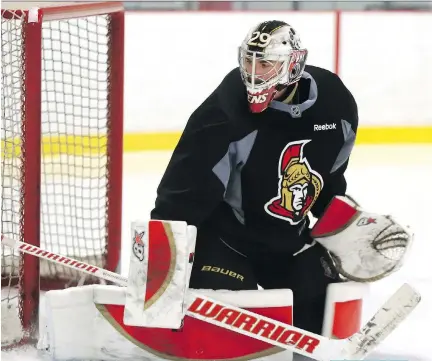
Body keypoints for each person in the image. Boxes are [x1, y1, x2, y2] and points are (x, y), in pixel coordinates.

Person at [150, 20, 359, 335]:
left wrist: (348, 228)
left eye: (265, 62)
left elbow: (328, 182)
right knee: (228, 322)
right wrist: (159, 275)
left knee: (324, 317)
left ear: (293, 63)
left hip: (289, 242)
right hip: (226, 241)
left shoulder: (335, 104)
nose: (253, 72)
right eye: (249, 60)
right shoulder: (223, 113)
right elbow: (182, 198)